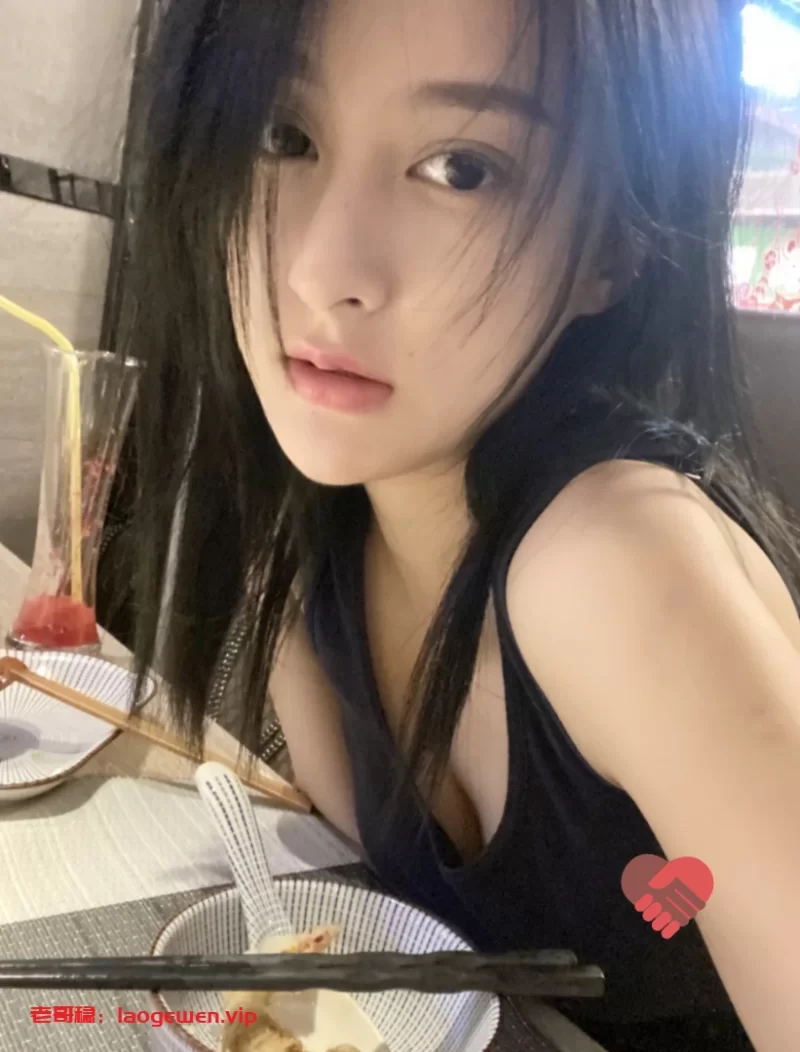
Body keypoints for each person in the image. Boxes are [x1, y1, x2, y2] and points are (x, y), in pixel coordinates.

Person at [121, 0, 800, 1049]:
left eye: (462, 168)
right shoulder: (309, 544)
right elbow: (388, 942)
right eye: (280, 133)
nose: (320, 272)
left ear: (612, 248)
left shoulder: (618, 564)